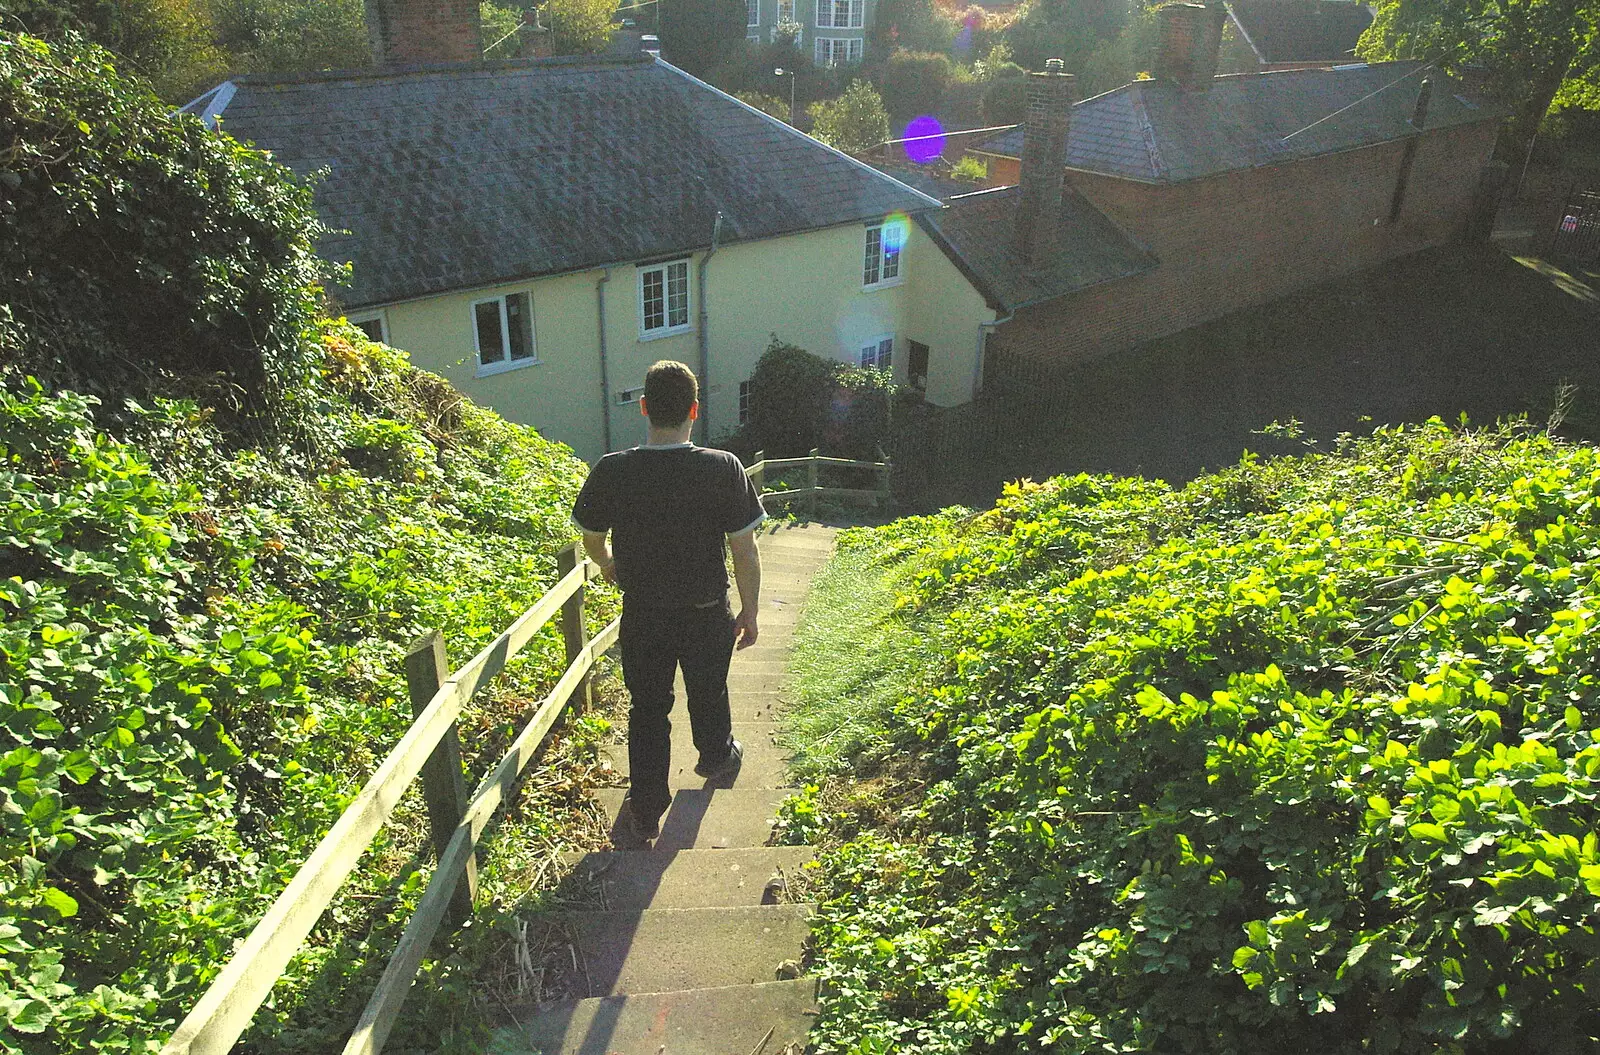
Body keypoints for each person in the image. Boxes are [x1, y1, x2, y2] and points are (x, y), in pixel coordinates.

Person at [571, 360, 765, 841]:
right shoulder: (723, 467)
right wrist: (751, 610)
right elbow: (744, 548)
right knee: (708, 690)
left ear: (643, 408)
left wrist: (608, 563)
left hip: (644, 613)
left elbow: (591, 535)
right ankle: (716, 756)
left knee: (648, 707)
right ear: (694, 411)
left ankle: (646, 805)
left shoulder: (613, 470)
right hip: (704, 612)